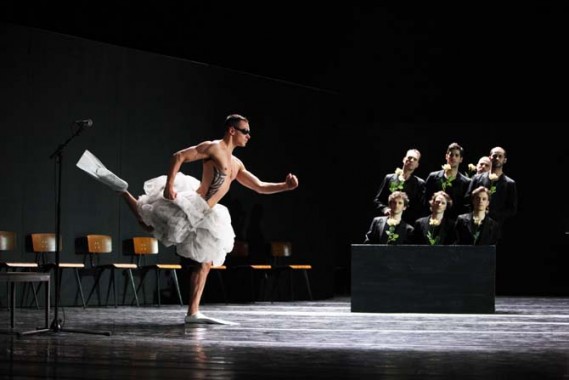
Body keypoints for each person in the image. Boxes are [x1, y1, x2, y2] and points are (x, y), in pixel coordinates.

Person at [77, 114, 299, 324]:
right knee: (148, 224)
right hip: (194, 204)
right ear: (232, 130)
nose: (248, 135)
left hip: (208, 213)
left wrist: (285, 186)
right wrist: (170, 186)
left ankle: (193, 312)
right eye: (245, 131)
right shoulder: (213, 148)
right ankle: (123, 191)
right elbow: (179, 156)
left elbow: (259, 187)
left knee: (206, 260)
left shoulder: (236, 164)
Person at [465, 146, 517, 227]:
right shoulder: (477, 178)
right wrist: (476, 214)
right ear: (490, 158)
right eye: (495, 156)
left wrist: (493, 215)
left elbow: (511, 209)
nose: (497, 158)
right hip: (475, 222)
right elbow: (468, 199)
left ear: (505, 160)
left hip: (496, 226)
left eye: (500, 156)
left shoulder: (510, 183)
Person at [373, 149, 425, 225]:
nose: (411, 160)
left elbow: (420, 208)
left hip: (407, 224)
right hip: (387, 221)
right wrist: (385, 209)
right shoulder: (389, 178)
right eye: (409, 157)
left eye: (415, 159)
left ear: (417, 164)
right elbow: (377, 200)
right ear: (404, 159)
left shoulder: (419, 183)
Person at [424, 142, 470, 220]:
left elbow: (465, 207)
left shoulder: (466, 182)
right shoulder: (433, 177)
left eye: (456, 155)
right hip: (433, 219)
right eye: (451, 154)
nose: (453, 157)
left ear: (461, 159)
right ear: (446, 156)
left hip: (453, 222)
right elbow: (425, 200)